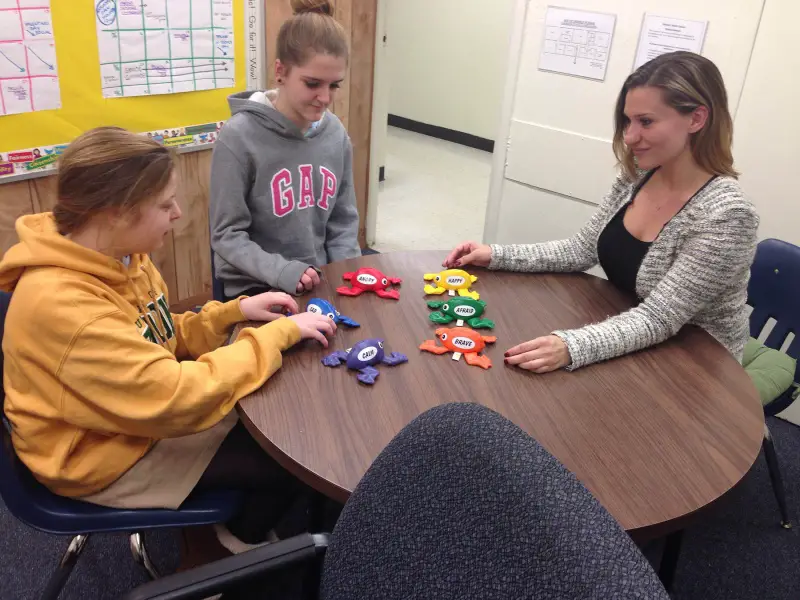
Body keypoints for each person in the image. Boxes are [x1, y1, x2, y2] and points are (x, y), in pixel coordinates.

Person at [0, 127, 337, 547]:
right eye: (164, 204)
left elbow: (161, 336)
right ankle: (215, 560)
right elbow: (174, 398)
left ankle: (233, 530)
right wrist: (278, 335)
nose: (178, 213)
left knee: (275, 421)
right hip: (95, 456)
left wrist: (235, 313)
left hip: (130, 413)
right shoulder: (66, 307)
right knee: (289, 458)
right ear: (116, 213)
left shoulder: (121, 256)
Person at [444, 51, 759, 373]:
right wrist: (495, 254)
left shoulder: (727, 216)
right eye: (627, 121)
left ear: (696, 119)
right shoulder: (640, 172)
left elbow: (660, 317)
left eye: (646, 122)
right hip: (638, 340)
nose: (630, 136)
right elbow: (581, 249)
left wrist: (571, 346)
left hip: (698, 366)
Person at [210, 0, 360, 301]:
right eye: (313, 83)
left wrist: (348, 277)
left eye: (335, 86)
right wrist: (283, 271)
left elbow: (343, 222)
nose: (325, 97)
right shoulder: (238, 137)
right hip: (255, 290)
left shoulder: (335, 134)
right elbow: (226, 235)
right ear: (281, 71)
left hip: (319, 281)